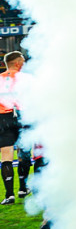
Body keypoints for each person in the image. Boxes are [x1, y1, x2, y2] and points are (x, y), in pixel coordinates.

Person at [0, 51, 30, 205]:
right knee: (23, 154)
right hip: (22, 115)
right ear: (18, 63)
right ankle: (23, 189)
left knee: (6, 156)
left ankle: (9, 195)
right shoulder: (25, 79)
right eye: (23, 61)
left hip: (3, 118)